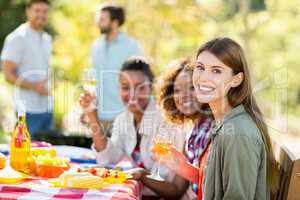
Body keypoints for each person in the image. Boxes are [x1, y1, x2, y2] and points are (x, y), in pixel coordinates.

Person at [161, 37, 278, 199]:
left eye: (216, 70)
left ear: (236, 80)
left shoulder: (238, 133)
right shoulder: (225, 124)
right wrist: (184, 168)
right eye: (200, 67)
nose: (203, 77)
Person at [80, 56, 185, 197]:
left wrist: (141, 175)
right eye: (125, 87)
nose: (132, 95)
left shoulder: (166, 120)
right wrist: (92, 116)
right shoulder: (124, 119)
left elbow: (166, 180)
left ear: (151, 88)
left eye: (140, 87)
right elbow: (108, 157)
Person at [129, 59, 212, 200]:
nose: (183, 95)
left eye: (191, 87)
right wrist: (143, 175)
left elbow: (215, 185)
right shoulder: (191, 134)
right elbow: (176, 190)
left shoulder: (213, 130)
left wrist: (182, 167)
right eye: (177, 90)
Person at [1, 0, 53, 138]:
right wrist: (34, 86)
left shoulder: (47, 38)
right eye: (37, 11)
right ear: (28, 11)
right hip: (27, 110)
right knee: (26, 154)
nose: (41, 15)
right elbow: (8, 75)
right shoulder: (17, 37)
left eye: (45, 11)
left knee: (47, 154)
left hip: (47, 107)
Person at [91, 3, 144, 134]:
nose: (98, 22)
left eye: (102, 19)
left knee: (123, 154)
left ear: (114, 22)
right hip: (100, 115)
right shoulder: (96, 46)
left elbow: (142, 78)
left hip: (124, 115)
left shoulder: (132, 46)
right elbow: (94, 79)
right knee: (101, 153)